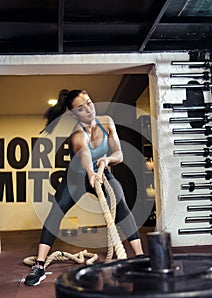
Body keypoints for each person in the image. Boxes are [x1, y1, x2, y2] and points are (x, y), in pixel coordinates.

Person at [25, 89, 144, 286]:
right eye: (81, 108)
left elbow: (119, 154)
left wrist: (106, 160)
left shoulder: (107, 122)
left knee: (120, 205)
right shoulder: (77, 135)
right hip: (76, 178)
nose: (89, 110)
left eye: (89, 103)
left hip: (102, 173)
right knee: (56, 212)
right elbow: (86, 157)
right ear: (74, 114)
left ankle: (140, 257)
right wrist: (91, 172)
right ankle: (39, 265)